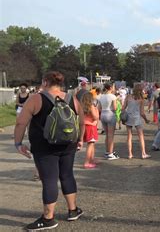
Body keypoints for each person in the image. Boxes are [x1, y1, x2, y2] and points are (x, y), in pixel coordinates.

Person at [13, 71, 85, 230]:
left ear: (45, 82)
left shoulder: (36, 99)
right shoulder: (71, 98)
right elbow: (81, 121)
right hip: (68, 144)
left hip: (44, 147)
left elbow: (21, 123)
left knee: (50, 179)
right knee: (67, 175)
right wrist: (80, 139)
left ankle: (48, 218)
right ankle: (73, 210)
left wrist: (18, 143)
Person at [123, 84, 151, 159]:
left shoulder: (128, 96)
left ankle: (130, 154)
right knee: (141, 136)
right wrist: (146, 120)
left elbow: (123, 108)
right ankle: (143, 153)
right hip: (137, 118)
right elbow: (142, 113)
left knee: (129, 136)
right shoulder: (141, 99)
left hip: (128, 117)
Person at [98, 83, 119, 160]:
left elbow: (99, 108)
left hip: (103, 115)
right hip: (110, 114)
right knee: (111, 135)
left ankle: (107, 151)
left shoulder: (101, 96)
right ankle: (110, 153)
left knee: (107, 135)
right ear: (110, 88)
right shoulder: (113, 96)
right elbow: (115, 108)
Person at [81, 92, 99, 169]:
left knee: (91, 143)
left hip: (84, 125)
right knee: (90, 144)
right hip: (91, 126)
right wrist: (96, 109)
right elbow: (96, 117)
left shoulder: (81, 106)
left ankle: (92, 159)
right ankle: (87, 162)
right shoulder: (91, 106)